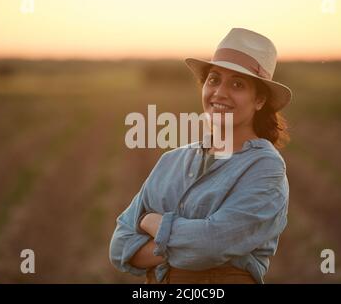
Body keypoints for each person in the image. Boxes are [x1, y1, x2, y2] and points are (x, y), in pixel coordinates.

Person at [109, 27, 292, 284]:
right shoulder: (171, 160)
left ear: (259, 99)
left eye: (237, 84)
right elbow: (119, 247)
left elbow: (211, 246)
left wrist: (153, 223)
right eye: (214, 79)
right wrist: (186, 244)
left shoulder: (265, 167)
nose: (220, 93)